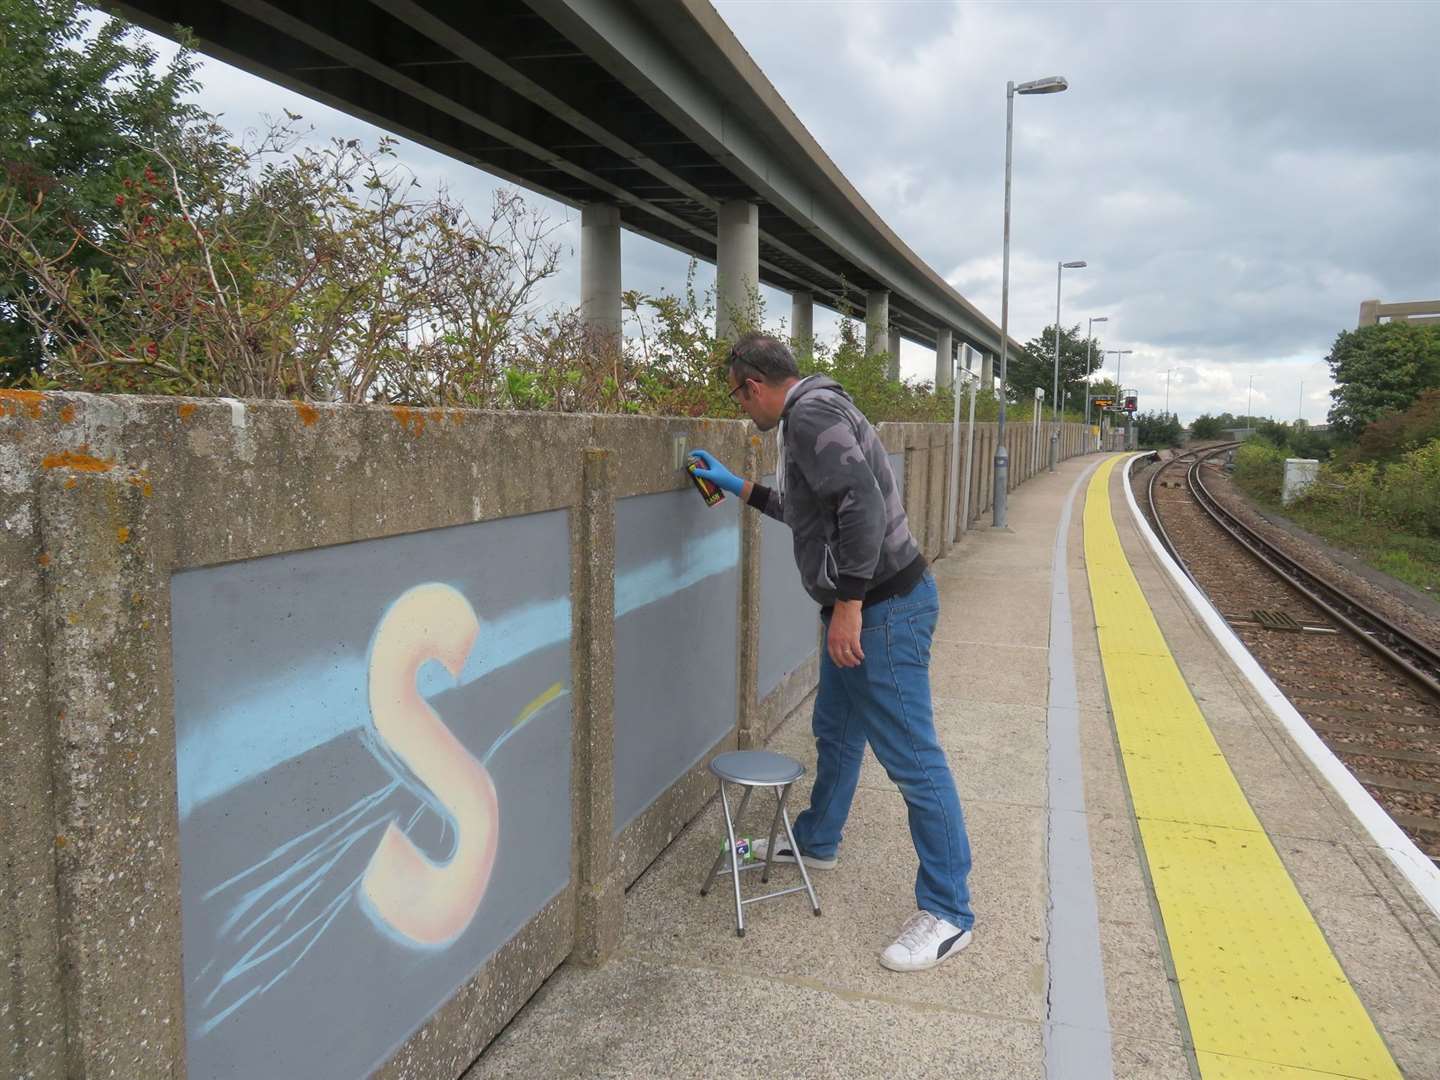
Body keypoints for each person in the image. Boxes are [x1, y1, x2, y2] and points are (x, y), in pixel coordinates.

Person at [690, 332, 974, 973]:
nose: (743, 409)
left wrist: (848, 607)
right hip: (870, 607)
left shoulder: (809, 416)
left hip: (882, 611)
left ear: (753, 385)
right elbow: (815, 513)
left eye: (739, 397)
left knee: (913, 759)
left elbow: (863, 506)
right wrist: (737, 485)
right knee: (837, 733)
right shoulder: (817, 408)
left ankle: (949, 910)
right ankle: (817, 840)